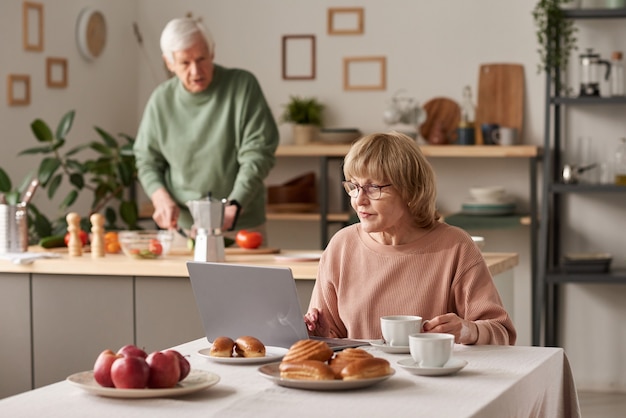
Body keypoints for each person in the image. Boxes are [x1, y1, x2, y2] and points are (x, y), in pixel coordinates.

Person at [304, 132, 516, 345]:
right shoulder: (341, 246)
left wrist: (468, 331)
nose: (359, 200)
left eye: (373, 188)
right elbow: (332, 343)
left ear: (410, 191)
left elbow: (502, 334)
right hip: (362, 377)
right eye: (354, 186)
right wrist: (322, 335)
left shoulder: (456, 247)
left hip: (433, 377)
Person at [133, 17, 279, 240]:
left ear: (212, 53)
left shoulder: (242, 86)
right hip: (182, 229)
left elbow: (257, 155)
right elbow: (147, 160)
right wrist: (160, 197)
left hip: (240, 225)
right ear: (169, 63)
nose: (195, 71)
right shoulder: (161, 100)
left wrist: (234, 205)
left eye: (201, 59)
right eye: (184, 63)